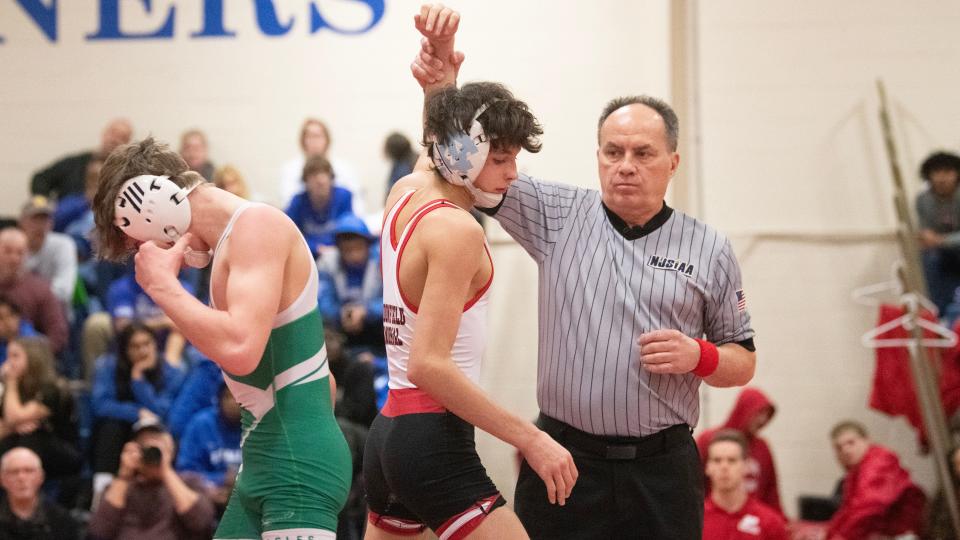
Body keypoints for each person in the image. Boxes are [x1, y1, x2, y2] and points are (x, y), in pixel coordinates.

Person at [412, 7, 756, 538]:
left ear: (673, 162)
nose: (625, 165)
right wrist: (443, 88)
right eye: (613, 152)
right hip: (566, 459)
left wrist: (700, 355)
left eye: (643, 153)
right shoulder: (557, 213)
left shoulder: (709, 247)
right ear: (597, 156)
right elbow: (461, 165)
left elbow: (743, 362)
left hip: (662, 467)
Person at [363, 8, 577, 539]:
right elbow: (430, 365)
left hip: (389, 436)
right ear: (466, 154)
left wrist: (441, 86)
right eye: (501, 159)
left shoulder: (406, 193)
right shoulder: (457, 231)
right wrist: (531, 438)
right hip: (433, 440)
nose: (512, 174)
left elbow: (438, 145)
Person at [91, 137, 350, 539]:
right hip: (268, 456)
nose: (146, 252)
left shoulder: (256, 227)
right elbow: (323, 383)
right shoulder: (232, 242)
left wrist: (163, 287)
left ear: (155, 203)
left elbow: (241, 350)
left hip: (294, 465)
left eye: (138, 240)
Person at [87, 420, 215, 540]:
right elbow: (98, 532)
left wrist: (165, 471)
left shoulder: (189, 481)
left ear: (171, 449)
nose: (151, 451)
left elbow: (202, 524)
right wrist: (124, 476)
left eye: (158, 444)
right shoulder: (118, 488)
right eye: (144, 446)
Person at [798, 421, 926, 540]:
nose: (845, 450)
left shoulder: (879, 462)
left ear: (867, 441)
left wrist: (838, 537)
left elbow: (869, 508)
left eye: (851, 443)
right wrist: (829, 534)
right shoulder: (856, 473)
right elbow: (848, 511)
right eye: (839, 448)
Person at [90, 323, 186, 478]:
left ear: (155, 344)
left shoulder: (171, 372)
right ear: (125, 350)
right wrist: (136, 412)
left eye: (147, 344)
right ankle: (102, 486)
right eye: (135, 346)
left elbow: (161, 412)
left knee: (170, 433)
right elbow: (100, 405)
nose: (143, 351)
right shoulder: (108, 366)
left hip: (157, 428)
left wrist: (138, 380)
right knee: (110, 428)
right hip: (121, 428)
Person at [0, 337, 81, 483]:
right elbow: (8, 425)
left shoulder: (53, 388)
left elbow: (13, 417)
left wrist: (10, 383)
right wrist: (13, 428)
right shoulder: (8, 389)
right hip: (20, 443)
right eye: (8, 356)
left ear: (33, 358)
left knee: (32, 437)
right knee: (9, 442)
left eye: (15, 356)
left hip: (61, 452)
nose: (8, 363)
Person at [697, 387, 782, 513]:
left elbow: (771, 491)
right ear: (744, 410)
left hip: (754, 519)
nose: (762, 420)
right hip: (712, 514)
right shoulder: (708, 440)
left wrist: (780, 519)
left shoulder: (762, 447)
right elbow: (694, 483)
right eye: (758, 413)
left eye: (766, 414)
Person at [703, 429, 787, 540]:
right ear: (708, 467)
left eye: (732, 460)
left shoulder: (770, 523)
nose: (724, 467)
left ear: (746, 466)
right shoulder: (694, 520)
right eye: (717, 460)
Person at [317, 214, 384, 352]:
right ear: (339, 249)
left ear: (368, 245)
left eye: (358, 248)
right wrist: (339, 313)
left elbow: (393, 303)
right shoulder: (327, 263)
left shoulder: (382, 261)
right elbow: (322, 301)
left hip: (376, 330)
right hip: (341, 329)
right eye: (348, 250)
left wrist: (367, 311)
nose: (354, 255)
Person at [175, 384, 242, 514]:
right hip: (207, 496)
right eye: (228, 397)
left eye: (238, 397)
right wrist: (219, 480)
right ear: (219, 399)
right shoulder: (201, 424)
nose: (233, 402)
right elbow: (185, 472)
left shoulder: (258, 426)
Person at [0, 228, 68, 354]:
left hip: (29, 361)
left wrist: (33, 359)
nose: (14, 259)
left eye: (20, 253)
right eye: (7, 251)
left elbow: (57, 334)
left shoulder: (41, 289)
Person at [31, 118, 133, 199]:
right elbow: (41, 179)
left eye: (122, 137)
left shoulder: (128, 172)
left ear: (127, 143)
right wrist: (42, 204)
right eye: (112, 133)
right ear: (104, 134)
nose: (114, 140)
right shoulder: (74, 163)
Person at [279, 118, 365, 214]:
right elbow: (287, 203)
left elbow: (357, 203)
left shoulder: (344, 168)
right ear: (303, 141)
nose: (314, 141)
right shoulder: (291, 169)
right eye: (310, 136)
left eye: (318, 136)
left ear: (327, 139)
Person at [0, 447, 79, 540]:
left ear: (41, 476)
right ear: (2, 479)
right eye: (14, 472)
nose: (21, 478)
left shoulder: (63, 521)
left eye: (29, 471)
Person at [916, 151, 960, 314]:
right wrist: (927, 236)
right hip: (940, 252)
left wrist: (942, 240)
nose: (942, 178)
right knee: (929, 256)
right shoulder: (923, 200)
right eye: (937, 172)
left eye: (947, 172)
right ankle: (939, 311)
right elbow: (924, 229)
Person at [285, 154, 356, 255]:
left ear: (331, 178)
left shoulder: (344, 196)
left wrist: (335, 248)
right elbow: (290, 235)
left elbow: (348, 229)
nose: (320, 180)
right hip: (309, 254)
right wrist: (316, 248)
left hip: (339, 254)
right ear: (306, 181)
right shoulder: (298, 202)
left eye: (324, 174)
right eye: (314, 175)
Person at [19, 196, 79, 308]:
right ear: (22, 222)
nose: (40, 226)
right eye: (35, 219)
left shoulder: (63, 245)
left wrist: (29, 295)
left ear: (51, 223)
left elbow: (65, 291)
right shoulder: (13, 248)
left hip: (56, 312)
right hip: (19, 311)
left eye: (45, 219)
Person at [0, 295, 39, 365]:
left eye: (2, 318)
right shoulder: (3, 341)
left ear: (17, 316)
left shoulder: (32, 342)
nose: (6, 322)